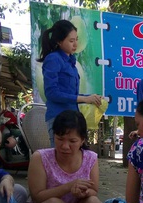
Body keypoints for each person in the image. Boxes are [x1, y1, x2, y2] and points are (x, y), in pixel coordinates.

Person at [26, 110, 105, 203]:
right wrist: (69, 187)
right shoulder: (40, 157)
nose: (65, 146)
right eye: (60, 139)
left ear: (82, 140)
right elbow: (37, 197)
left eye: (72, 141)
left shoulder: (91, 158)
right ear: (53, 136)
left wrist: (83, 193)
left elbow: (93, 190)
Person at [37, 19, 103, 147]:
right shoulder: (53, 59)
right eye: (71, 41)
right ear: (59, 41)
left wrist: (90, 98)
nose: (75, 44)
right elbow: (51, 93)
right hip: (58, 118)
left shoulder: (70, 61)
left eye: (76, 39)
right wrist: (84, 98)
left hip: (74, 119)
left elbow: (70, 93)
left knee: (77, 158)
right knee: (61, 159)